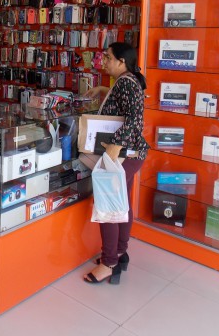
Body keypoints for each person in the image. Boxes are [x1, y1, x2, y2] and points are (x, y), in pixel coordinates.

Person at [82, 42, 149, 285]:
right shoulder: (127, 80)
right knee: (121, 203)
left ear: (122, 61)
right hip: (131, 154)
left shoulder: (126, 83)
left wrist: (115, 145)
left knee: (108, 205)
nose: (104, 62)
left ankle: (109, 263)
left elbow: (135, 119)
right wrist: (103, 89)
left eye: (108, 58)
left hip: (122, 154)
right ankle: (120, 252)